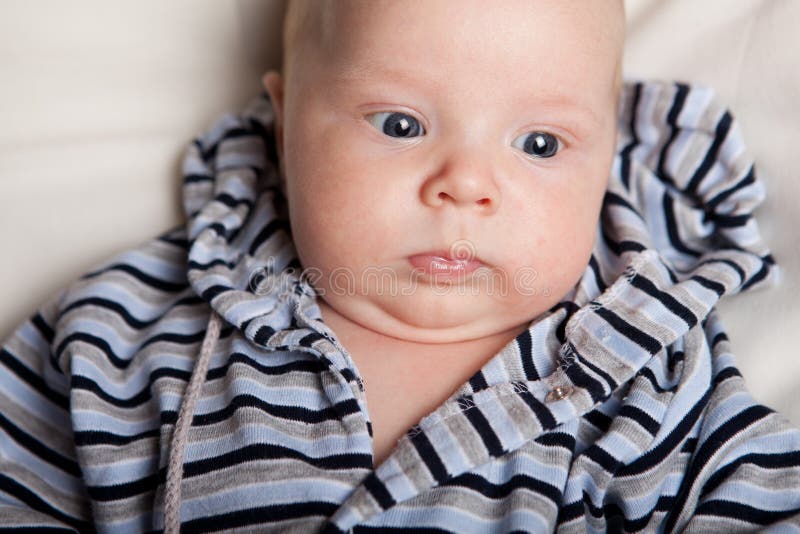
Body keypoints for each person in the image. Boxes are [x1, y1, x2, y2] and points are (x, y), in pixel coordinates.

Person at [1, 1, 798, 532]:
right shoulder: (119, 336)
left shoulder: (643, 365)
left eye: (541, 144)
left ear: (608, 158)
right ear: (284, 126)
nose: (466, 184)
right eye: (401, 123)